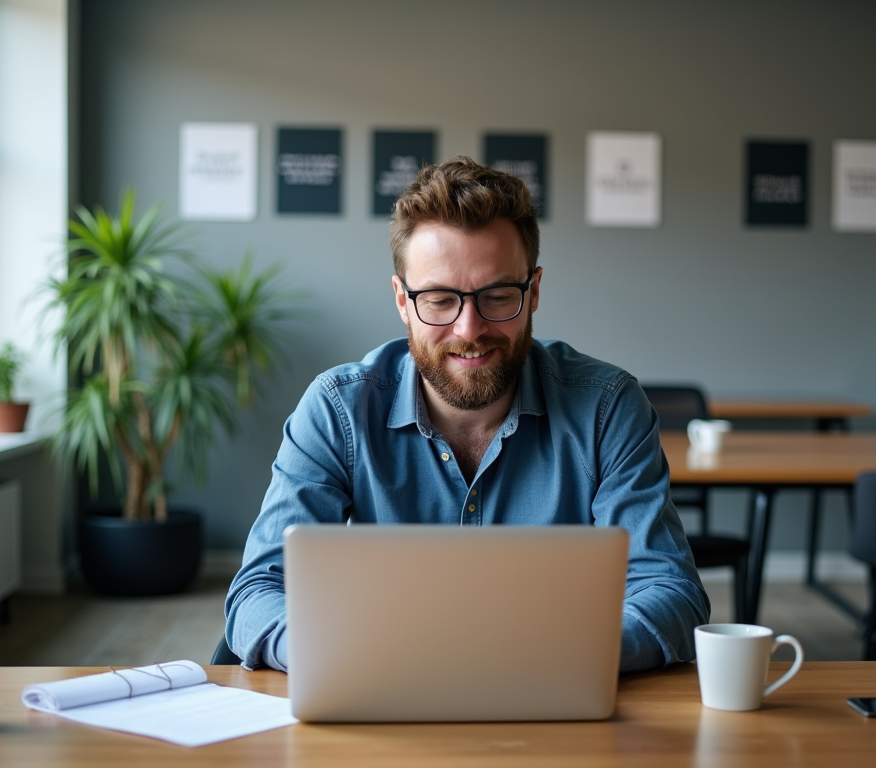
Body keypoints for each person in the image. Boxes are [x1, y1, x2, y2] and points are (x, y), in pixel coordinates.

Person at [225, 156, 710, 672]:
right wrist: (340, 656)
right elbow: (259, 589)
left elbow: (669, 589)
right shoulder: (336, 409)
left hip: (552, 701)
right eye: (438, 299)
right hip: (380, 689)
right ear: (403, 301)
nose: (469, 329)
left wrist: (557, 656)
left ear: (535, 291)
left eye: (498, 296)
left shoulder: (607, 407)